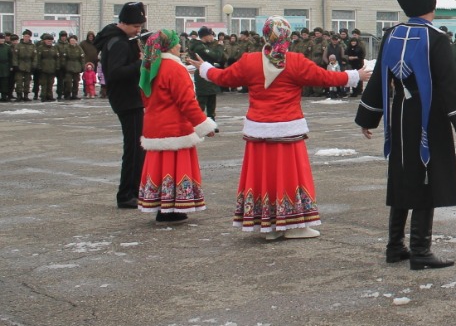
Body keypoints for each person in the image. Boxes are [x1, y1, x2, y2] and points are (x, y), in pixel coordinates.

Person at [191, 17, 370, 240]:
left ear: (265, 36)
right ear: (287, 36)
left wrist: (205, 68)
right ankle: (294, 225)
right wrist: (355, 76)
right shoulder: (295, 61)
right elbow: (323, 77)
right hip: (287, 130)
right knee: (290, 176)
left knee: (264, 176)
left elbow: (224, 77)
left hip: (259, 130)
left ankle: (270, 226)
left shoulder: (250, 61)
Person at [357, 0, 456, 269]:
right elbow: (448, 84)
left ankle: (395, 246)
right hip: (429, 116)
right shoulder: (436, 38)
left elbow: (378, 80)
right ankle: (421, 251)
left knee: (401, 175)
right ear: (432, 5)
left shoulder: (391, 34)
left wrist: (368, 116)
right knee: (427, 178)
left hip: (399, 115)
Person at [137, 29, 217, 223]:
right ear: (170, 46)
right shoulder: (174, 68)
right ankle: (174, 208)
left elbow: (145, 96)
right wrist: (204, 124)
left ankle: (161, 206)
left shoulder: (150, 67)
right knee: (175, 167)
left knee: (159, 167)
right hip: (175, 127)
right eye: (177, 43)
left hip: (154, 126)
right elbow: (187, 102)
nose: (180, 46)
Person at [98, 2, 148, 209]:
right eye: (135, 26)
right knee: (134, 149)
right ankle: (127, 194)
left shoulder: (120, 39)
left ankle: (134, 190)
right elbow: (115, 73)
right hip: (126, 100)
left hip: (130, 98)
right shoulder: (117, 42)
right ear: (123, 23)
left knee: (138, 147)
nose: (138, 30)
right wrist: (141, 63)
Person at [188, 26, 224, 122]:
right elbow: (216, 57)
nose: (212, 38)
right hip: (202, 76)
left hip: (208, 74)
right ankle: (198, 122)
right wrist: (220, 46)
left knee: (212, 99)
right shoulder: (199, 47)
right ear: (205, 36)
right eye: (211, 35)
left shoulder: (205, 46)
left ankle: (211, 121)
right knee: (202, 101)